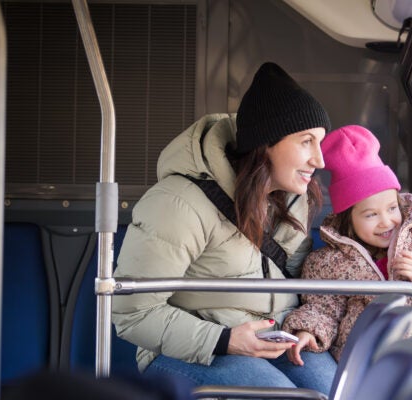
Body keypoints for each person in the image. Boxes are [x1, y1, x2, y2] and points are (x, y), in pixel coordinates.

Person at [111, 62, 337, 394]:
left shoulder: (291, 201)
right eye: (306, 142)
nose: (320, 160)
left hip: (272, 339)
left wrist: (308, 326)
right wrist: (226, 340)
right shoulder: (178, 203)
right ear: (266, 143)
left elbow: (301, 285)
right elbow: (132, 314)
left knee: (343, 391)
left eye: (320, 143)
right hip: (191, 350)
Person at [282, 125, 412, 364]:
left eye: (392, 208)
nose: (386, 222)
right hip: (358, 366)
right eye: (371, 215)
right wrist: (309, 331)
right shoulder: (327, 262)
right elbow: (324, 308)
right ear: (348, 218)